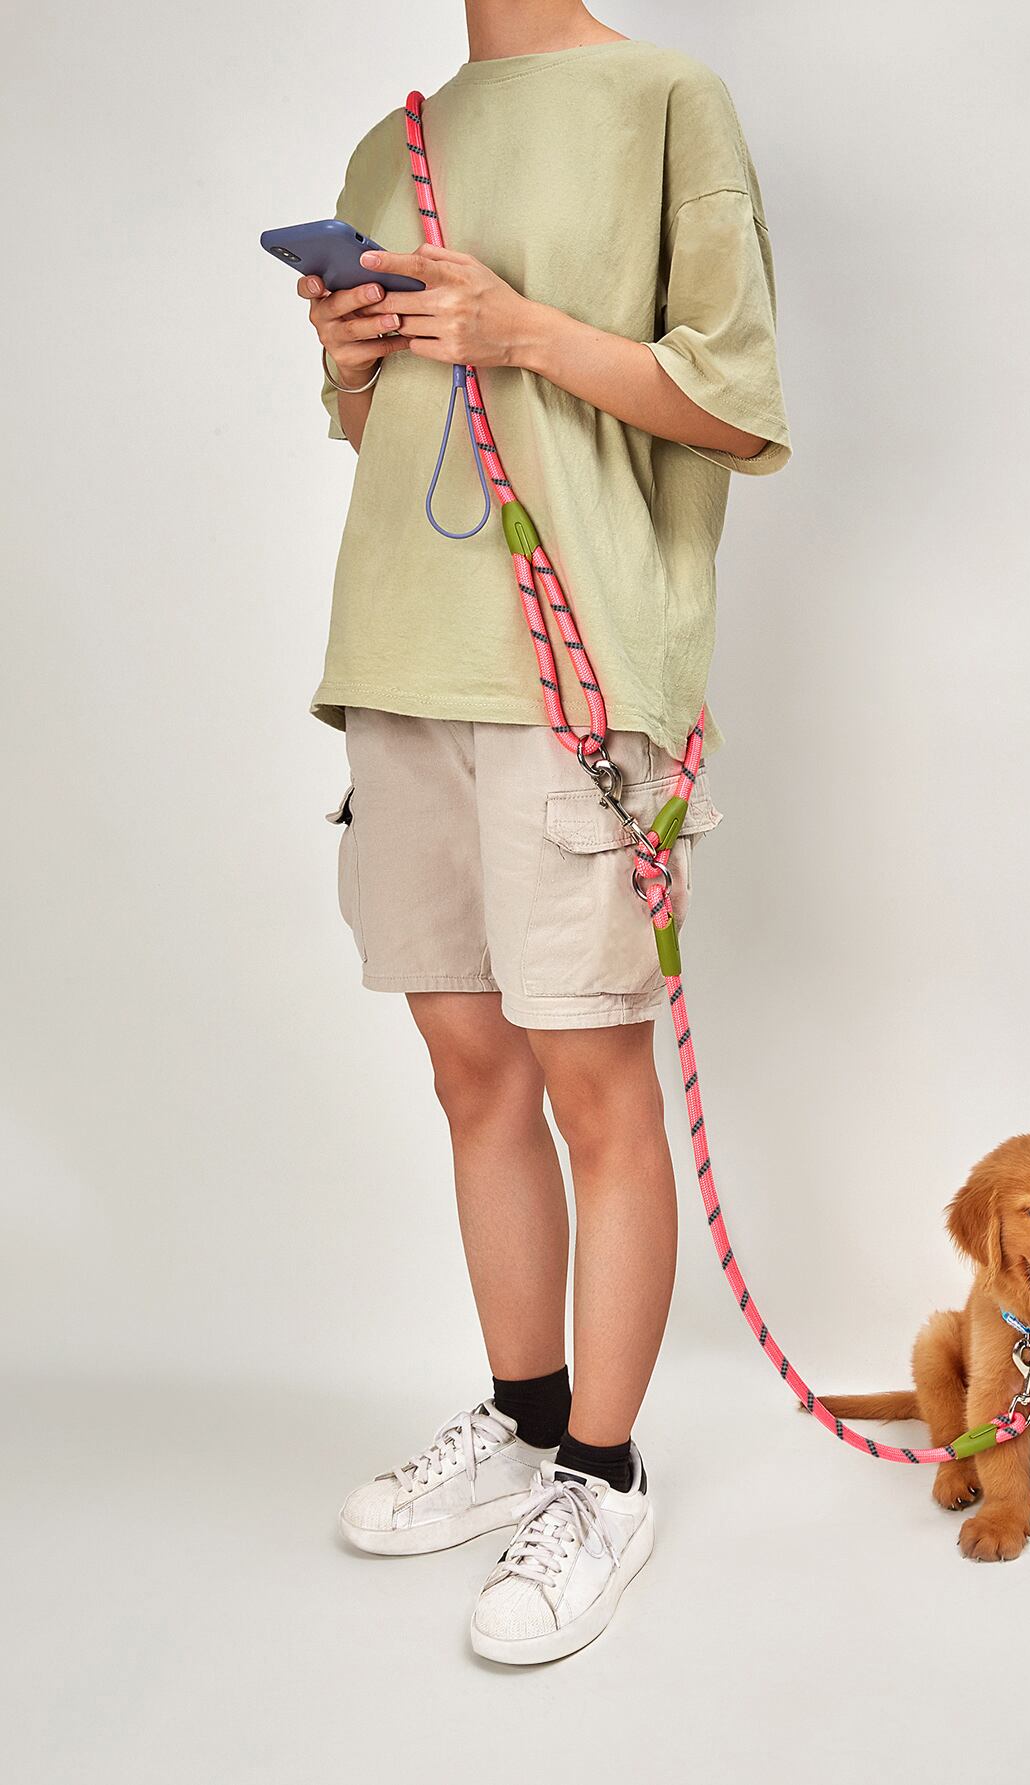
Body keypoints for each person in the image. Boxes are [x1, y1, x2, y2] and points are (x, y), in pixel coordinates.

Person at [293, 0, 789, 1664]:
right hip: (397, 654)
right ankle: (523, 1419)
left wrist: (519, 328)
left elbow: (735, 406)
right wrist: (353, 361)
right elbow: (377, 430)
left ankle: (606, 1470)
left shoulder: (669, 100)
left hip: (574, 675)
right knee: (470, 1070)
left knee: (591, 1073)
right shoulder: (395, 142)